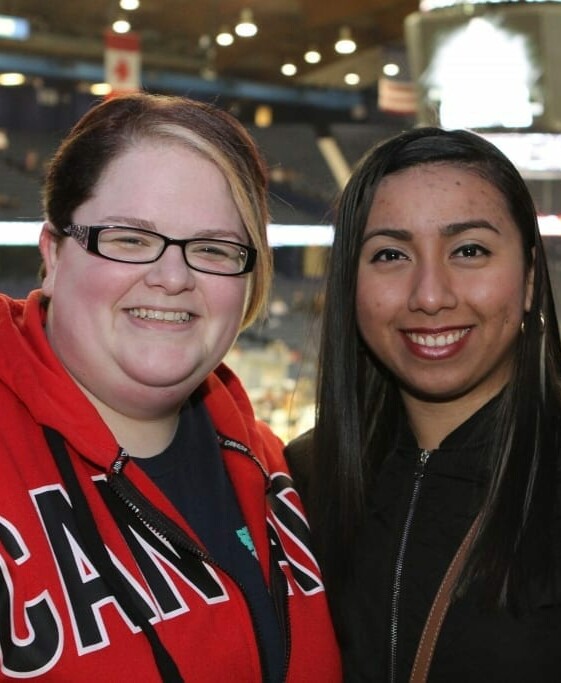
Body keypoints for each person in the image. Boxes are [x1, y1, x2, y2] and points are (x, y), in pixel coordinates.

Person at [287, 127, 561, 681]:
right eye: (391, 253)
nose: (430, 295)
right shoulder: (303, 480)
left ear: (527, 279)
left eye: (469, 250)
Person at [0, 93, 341, 681]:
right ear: (53, 255)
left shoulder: (283, 470)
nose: (173, 278)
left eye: (213, 249)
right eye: (130, 238)